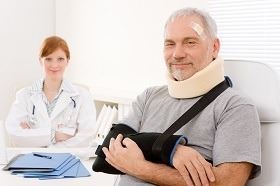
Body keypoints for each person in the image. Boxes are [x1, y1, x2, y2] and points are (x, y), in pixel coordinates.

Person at [102, 8, 261, 186]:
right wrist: (171, 149)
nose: (177, 54)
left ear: (214, 47)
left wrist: (140, 167)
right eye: (170, 44)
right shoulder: (149, 96)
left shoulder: (234, 106)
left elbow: (228, 183)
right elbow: (104, 155)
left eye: (190, 42)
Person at [5, 36, 97, 147]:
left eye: (60, 59)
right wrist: (54, 135)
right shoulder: (24, 95)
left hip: (66, 161)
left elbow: (86, 138)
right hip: (31, 161)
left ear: (67, 61)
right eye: (48, 59)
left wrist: (36, 138)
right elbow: (15, 135)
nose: (54, 65)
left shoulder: (82, 96)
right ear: (40, 61)